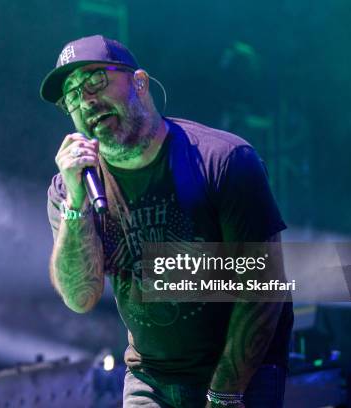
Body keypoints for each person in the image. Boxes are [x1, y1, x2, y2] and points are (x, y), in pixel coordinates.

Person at [40, 35, 293, 408]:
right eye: (73, 96)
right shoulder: (70, 189)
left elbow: (261, 288)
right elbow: (80, 297)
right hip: (150, 378)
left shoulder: (224, 159)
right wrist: (76, 204)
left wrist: (225, 393)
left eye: (95, 80)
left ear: (139, 83)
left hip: (242, 372)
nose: (87, 100)